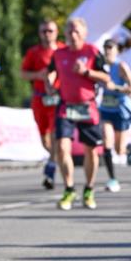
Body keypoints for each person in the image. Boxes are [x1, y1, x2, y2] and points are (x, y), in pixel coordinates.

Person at [47, 17, 109, 210]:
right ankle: (69, 189)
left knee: (91, 150)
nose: (73, 35)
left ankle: (89, 189)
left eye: (77, 32)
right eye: (70, 32)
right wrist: (50, 82)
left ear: (84, 34)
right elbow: (51, 71)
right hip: (66, 105)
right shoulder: (59, 53)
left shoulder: (92, 52)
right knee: (62, 147)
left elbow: (106, 78)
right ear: (65, 33)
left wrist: (87, 72)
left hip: (87, 106)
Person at [21, 20, 64, 189]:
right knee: (45, 141)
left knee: (55, 136)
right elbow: (23, 74)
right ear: (40, 33)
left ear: (56, 32)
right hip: (40, 100)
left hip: (59, 100)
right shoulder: (34, 52)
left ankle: (50, 169)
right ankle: (55, 158)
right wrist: (38, 75)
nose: (47, 34)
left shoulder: (63, 50)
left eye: (50, 31)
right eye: (44, 31)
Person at [99, 38, 131, 193]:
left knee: (119, 149)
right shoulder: (100, 67)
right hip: (105, 109)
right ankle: (112, 179)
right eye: (105, 47)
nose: (107, 50)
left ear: (117, 50)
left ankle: (128, 149)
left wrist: (115, 88)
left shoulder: (121, 66)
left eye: (110, 47)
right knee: (106, 142)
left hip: (120, 110)